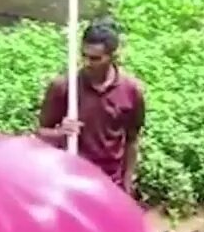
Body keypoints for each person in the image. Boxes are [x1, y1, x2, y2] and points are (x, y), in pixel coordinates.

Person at [37, 21, 146, 195]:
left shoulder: (131, 90)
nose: (87, 63)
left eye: (95, 58)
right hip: (70, 181)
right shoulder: (64, 86)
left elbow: (132, 140)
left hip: (110, 184)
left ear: (112, 56)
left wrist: (127, 184)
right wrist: (60, 133)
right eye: (84, 55)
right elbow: (40, 133)